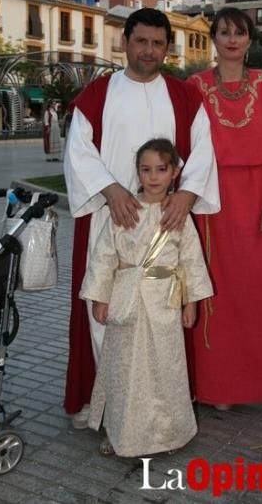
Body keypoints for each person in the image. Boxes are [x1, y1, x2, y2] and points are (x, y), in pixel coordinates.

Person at [63, 7, 219, 426]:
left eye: (157, 43)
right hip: (112, 222)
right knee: (108, 315)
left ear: (167, 47)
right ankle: (109, 406)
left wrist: (186, 193)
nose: (149, 51)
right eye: (141, 41)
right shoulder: (98, 94)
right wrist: (110, 189)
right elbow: (78, 150)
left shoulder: (185, 96)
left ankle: (160, 411)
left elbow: (203, 150)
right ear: (125, 42)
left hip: (167, 225)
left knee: (163, 324)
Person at [188, 6, 262, 409]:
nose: (232, 39)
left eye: (240, 32)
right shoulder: (195, 86)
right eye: (224, 32)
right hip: (211, 199)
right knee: (218, 292)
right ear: (214, 39)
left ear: (250, 40)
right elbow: (185, 146)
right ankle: (220, 387)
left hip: (260, 199)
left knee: (261, 290)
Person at [80, 138, 213, 457]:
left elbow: (191, 259)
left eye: (161, 169)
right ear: (137, 173)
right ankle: (120, 432)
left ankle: (168, 435)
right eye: (146, 169)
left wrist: (191, 302)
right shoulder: (125, 210)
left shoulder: (178, 213)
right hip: (125, 300)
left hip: (164, 303)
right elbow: (105, 255)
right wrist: (99, 296)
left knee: (164, 369)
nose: (153, 176)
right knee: (124, 370)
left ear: (174, 172)